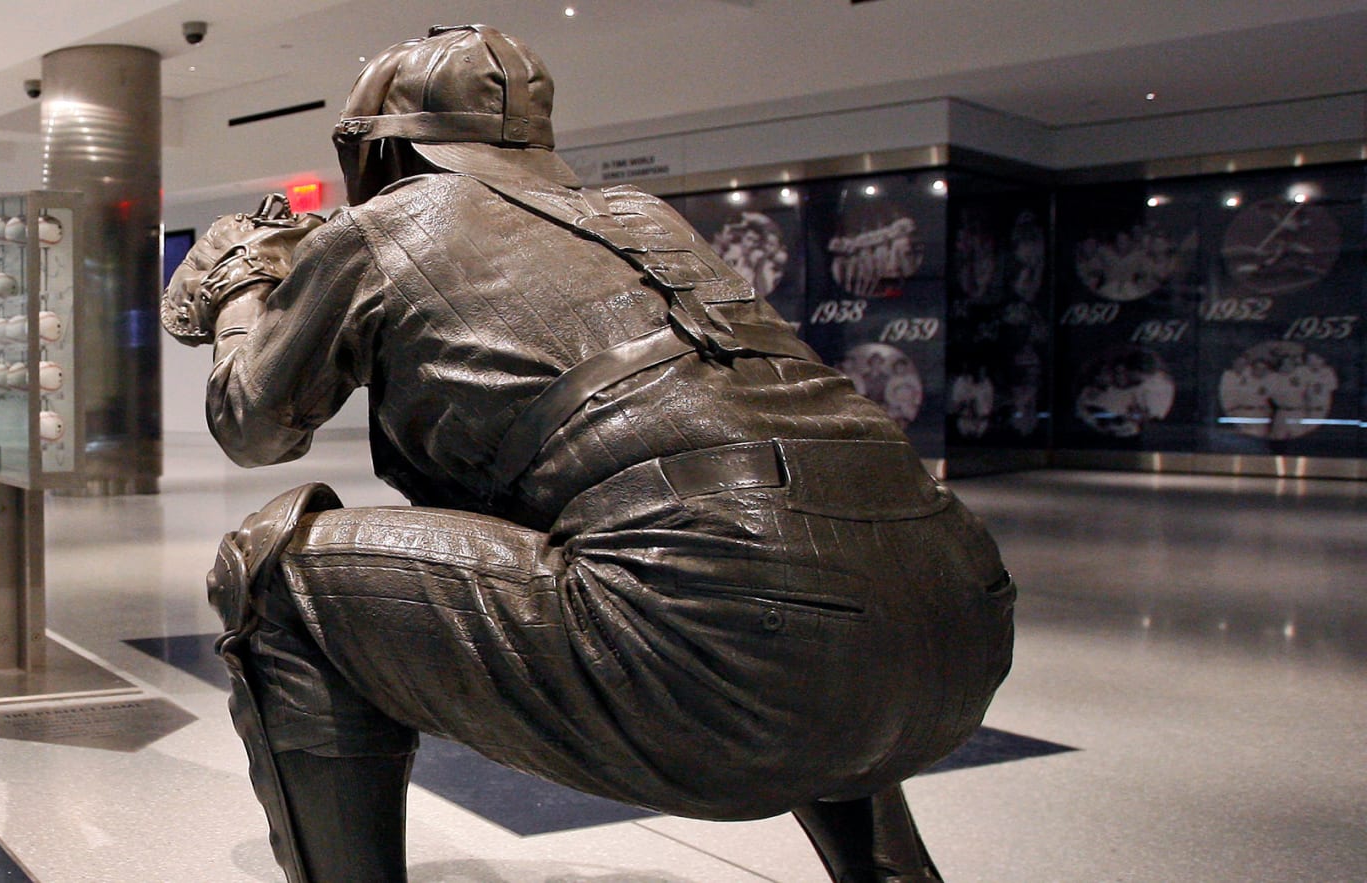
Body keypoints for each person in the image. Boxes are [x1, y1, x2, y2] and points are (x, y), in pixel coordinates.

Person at [162, 24, 1014, 883]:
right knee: (802, 554)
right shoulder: (646, 217)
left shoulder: (385, 224)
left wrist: (242, 286)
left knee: (274, 572)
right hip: (956, 631)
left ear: (375, 148)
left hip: (733, 669)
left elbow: (252, 424)